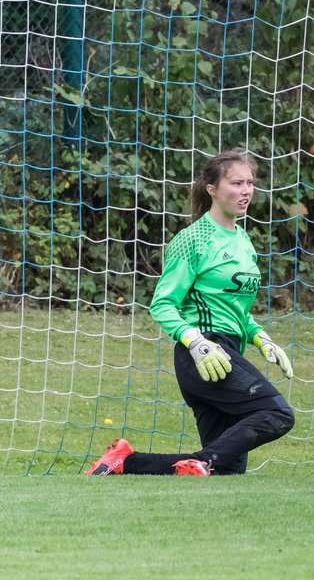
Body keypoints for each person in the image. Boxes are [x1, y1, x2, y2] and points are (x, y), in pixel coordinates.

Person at [87, 148, 296, 476]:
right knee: (278, 413)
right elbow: (162, 304)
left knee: (226, 468)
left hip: (226, 351)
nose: (245, 191)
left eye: (250, 183)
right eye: (236, 183)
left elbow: (238, 312)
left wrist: (261, 339)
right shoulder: (192, 240)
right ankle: (205, 460)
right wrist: (196, 342)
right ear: (212, 188)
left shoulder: (243, 240)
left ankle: (126, 460)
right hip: (202, 354)